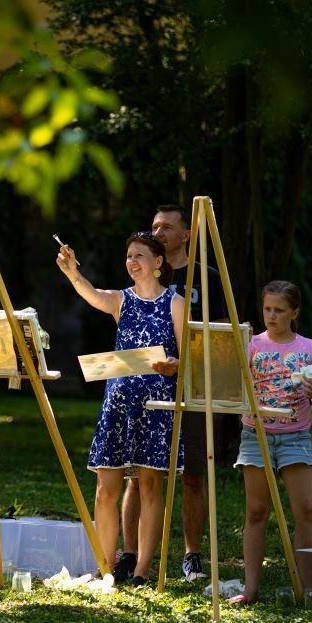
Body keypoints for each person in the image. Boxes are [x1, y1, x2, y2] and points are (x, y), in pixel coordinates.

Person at [56, 232, 184, 588]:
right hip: (118, 405)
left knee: (150, 487)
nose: (132, 262)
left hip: (156, 406)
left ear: (158, 262)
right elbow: (92, 294)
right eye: (129, 256)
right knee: (105, 489)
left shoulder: (175, 303)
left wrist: (176, 364)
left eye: (139, 255)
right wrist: (72, 272)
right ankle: (106, 568)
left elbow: (188, 356)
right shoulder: (121, 300)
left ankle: (142, 571)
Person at [117, 205, 229, 584]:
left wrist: (189, 364)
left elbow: (221, 336)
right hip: (146, 390)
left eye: (167, 227)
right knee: (138, 476)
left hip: (190, 389)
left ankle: (191, 556)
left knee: (193, 475)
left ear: (186, 235)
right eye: (154, 226)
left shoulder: (207, 278)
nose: (158, 232)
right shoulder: (143, 272)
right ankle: (130, 555)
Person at [228, 280, 312, 604]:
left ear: (294, 313)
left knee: (306, 510)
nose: (271, 316)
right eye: (267, 309)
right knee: (257, 510)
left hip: (295, 436)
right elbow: (232, 386)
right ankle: (251, 590)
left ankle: (309, 590)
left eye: (279, 310)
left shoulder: (307, 348)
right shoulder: (251, 345)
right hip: (255, 435)